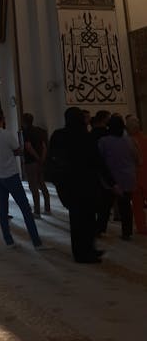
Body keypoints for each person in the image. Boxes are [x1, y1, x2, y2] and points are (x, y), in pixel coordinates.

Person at [0, 107, 48, 249]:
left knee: (2, 209)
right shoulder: (7, 134)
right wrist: (24, 149)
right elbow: (17, 151)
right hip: (10, 175)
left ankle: (8, 241)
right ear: (3, 118)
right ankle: (36, 242)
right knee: (25, 209)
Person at [48, 107, 104, 263]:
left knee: (78, 220)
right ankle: (85, 252)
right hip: (85, 185)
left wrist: (58, 182)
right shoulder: (85, 137)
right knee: (87, 219)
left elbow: (52, 160)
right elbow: (97, 161)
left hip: (69, 186)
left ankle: (84, 251)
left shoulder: (59, 135)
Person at [98, 115, 139, 241]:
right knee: (126, 206)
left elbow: (100, 160)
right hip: (128, 177)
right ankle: (127, 232)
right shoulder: (130, 141)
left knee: (105, 206)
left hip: (111, 179)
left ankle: (100, 229)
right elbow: (137, 158)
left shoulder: (104, 141)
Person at [89, 110, 114, 236]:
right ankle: (100, 227)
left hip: (93, 172)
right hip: (107, 170)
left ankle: (95, 226)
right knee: (106, 201)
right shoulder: (108, 135)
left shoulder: (90, 134)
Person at [21, 113, 51, 218]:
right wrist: (42, 158)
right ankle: (47, 208)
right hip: (40, 162)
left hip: (31, 162)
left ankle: (37, 211)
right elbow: (44, 146)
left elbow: (28, 147)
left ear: (24, 121)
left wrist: (36, 158)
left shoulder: (26, 132)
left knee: (33, 186)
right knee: (42, 184)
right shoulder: (39, 131)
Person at [125, 115, 147, 235]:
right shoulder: (143, 139)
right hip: (141, 176)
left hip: (133, 177)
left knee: (137, 205)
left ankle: (141, 227)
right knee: (137, 205)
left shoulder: (125, 141)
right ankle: (142, 227)